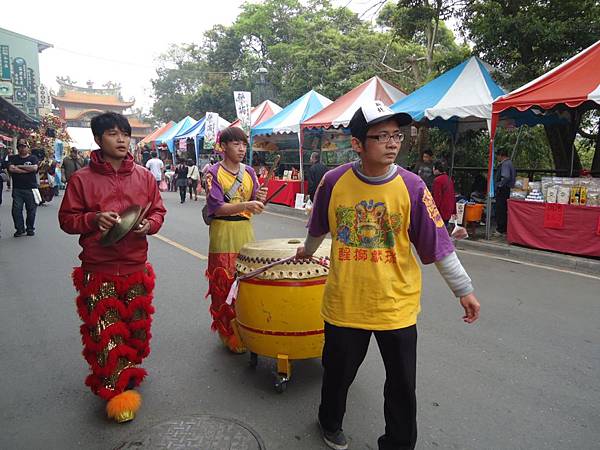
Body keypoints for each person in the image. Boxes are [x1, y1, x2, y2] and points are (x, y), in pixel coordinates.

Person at [295, 101, 481, 450]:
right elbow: (318, 226)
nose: (393, 143)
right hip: (345, 303)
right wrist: (307, 249)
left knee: (401, 383)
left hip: (396, 304)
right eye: (381, 136)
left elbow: (439, 245)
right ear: (358, 144)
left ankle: (398, 442)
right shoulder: (334, 182)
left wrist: (464, 290)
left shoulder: (412, 187)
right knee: (337, 373)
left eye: (397, 135)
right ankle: (329, 422)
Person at [58, 112, 166, 423]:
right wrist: (93, 219)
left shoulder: (144, 176)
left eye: (125, 134)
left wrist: (150, 224)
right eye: (112, 134)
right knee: (107, 333)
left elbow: (158, 210)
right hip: (99, 267)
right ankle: (116, 394)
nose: (121, 140)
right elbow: (66, 220)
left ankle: (129, 373)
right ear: (97, 139)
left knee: (135, 328)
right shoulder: (81, 180)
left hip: (135, 265)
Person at [204, 127, 267, 353]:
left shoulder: (249, 171)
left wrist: (259, 200)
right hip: (223, 232)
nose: (241, 149)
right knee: (223, 282)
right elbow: (217, 207)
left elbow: (254, 205)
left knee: (246, 282)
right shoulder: (212, 173)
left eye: (244, 144)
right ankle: (227, 332)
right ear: (223, 146)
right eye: (236, 144)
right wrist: (246, 205)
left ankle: (246, 328)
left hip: (245, 232)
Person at [7, 138, 38, 237]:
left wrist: (18, 167)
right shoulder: (13, 158)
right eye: (20, 146)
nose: (22, 148)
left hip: (31, 188)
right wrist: (27, 170)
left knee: (31, 210)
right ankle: (20, 229)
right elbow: (11, 169)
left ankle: (30, 228)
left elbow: (34, 168)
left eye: (24, 146)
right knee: (16, 210)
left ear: (28, 147)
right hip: (17, 189)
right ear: (17, 148)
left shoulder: (33, 158)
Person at [494, 148, 516, 235]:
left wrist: (499, 184)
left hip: (503, 189)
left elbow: (506, 176)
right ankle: (503, 227)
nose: (497, 158)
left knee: (501, 209)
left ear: (501, 155)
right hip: (507, 189)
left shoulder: (505, 164)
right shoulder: (509, 163)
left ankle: (501, 229)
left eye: (498, 156)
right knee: (504, 209)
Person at [432, 160, 456, 226]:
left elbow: (437, 198)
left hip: (441, 211)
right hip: (449, 209)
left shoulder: (437, 181)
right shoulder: (448, 179)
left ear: (436, 169)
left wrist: (433, 211)